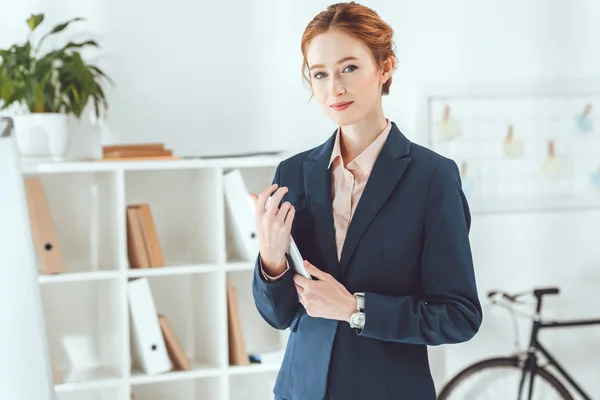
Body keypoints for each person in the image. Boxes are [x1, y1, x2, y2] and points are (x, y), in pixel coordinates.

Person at [249, 2, 482, 399]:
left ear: (385, 67)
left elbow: (458, 316)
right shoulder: (292, 173)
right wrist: (271, 262)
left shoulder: (432, 178)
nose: (333, 88)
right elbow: (280, 315)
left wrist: (356, 308)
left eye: (349, 68)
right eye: (319, 74)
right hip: (300, 390)